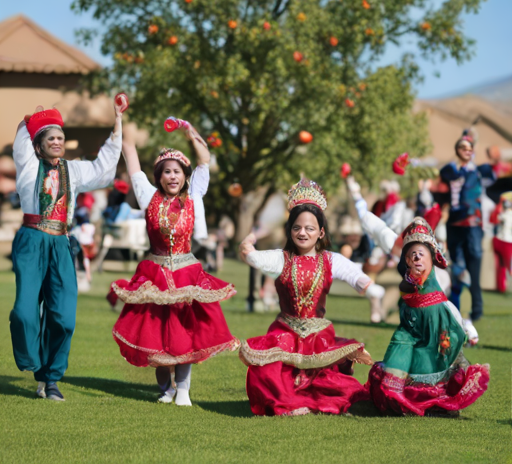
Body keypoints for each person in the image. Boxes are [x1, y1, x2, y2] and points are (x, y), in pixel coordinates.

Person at [109, 118, 239, 406]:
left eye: (177, 172)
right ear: (159, 176)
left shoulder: (193, 195)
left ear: (184, 176)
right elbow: (130, 157)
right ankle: (165, 388)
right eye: (166, 172)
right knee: (154, 333)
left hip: (185, 272)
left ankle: (183, 389)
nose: (172, 176)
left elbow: (204, 160)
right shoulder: (148, 196)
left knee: (183, 332)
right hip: (155, 272)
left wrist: (190, 131)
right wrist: (121, 121)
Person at [10, 103, 123, 401]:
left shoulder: (73, 170)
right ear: (38, 146)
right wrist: (30, 121)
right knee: (24, 312)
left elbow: (103, 170)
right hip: (32, 241)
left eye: (60, 137)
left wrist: (117, 126)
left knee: (64, 319)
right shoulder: (29, 165)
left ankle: (50, 379)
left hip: (61, 243)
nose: (57, 141)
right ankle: (33, 364)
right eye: (50, 138)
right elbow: (22, 141)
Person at [238, 178, 373, 416]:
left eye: (310, 228)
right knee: (266, 373)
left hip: (318, 334)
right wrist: (248, 247)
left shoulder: (330, 260)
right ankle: (290, 402)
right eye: (297, 228)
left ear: (320, 232)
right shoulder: (282, 258)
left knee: (326, 381)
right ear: (290, 231)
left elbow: (353, 273)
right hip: (285, 330)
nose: (303, 233)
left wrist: (366, 285)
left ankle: (308, 400)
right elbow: (256, 258)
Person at [351, 189, 489, 415]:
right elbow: (405, 286)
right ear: (406, 260)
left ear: (432, 258)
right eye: (412, 254)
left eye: (421, 254)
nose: (417, 258)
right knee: (398, 361)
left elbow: (449, 309)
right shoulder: (408, 280)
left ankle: (435, 404)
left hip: (437, 334)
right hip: (410, 332)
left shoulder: (438, 283)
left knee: (433, 366)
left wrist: (468, 328)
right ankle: (396, 398)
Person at [440, 129, 496, 321]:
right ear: (456, 150)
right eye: (461, 147)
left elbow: (494, 175)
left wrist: (474, 146)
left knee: (474, 269)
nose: (466, 150)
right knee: (457, 269)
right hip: (454, 226)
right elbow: (447, 174)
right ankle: (454, 310)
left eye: (469, 147)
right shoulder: (451, 170)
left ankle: (477, 311)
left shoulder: (479, 171)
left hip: (473, 226)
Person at [490, 192, 512, 293]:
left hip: (498, 240)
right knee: (507, 266)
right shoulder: (506, 214)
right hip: (506, 242)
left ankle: (501, 287)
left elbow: (494, 219)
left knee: (502, 266)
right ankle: (501, 287)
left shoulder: (503, 213)